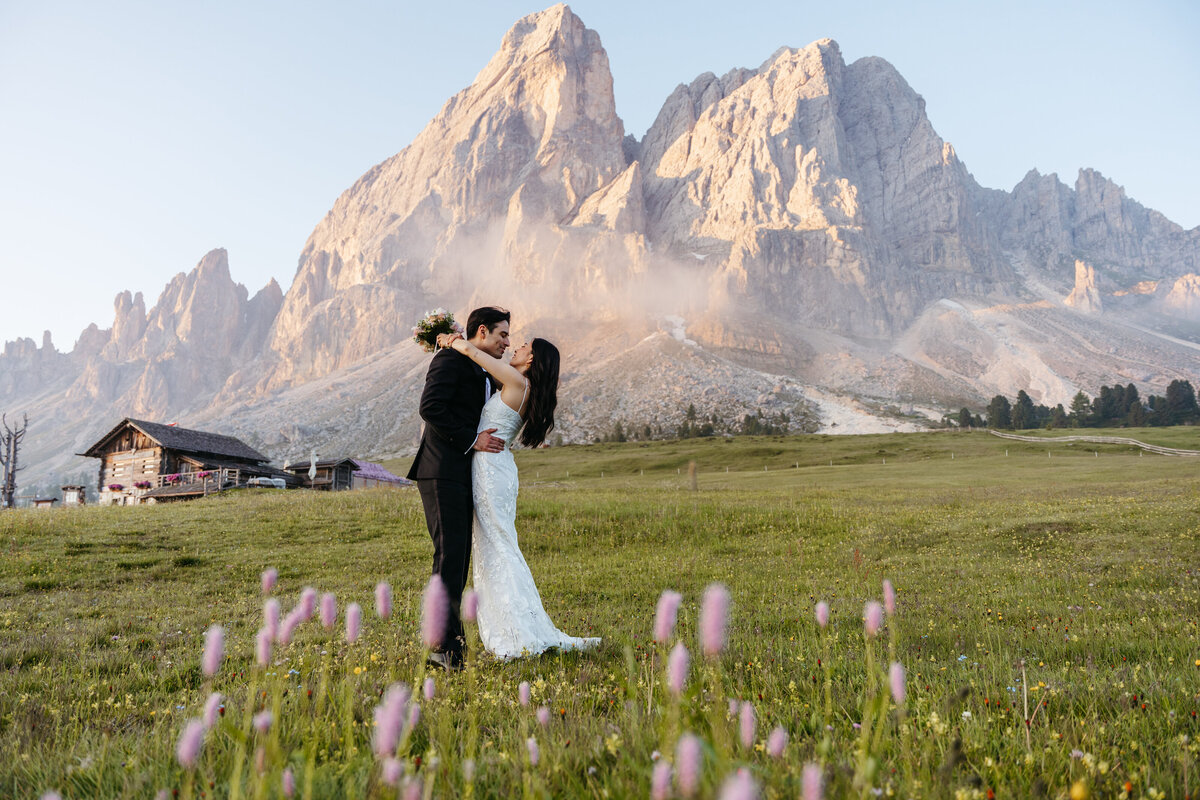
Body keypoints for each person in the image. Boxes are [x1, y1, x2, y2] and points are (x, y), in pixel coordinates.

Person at [436, 329, 600, 659]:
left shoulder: (517, 382)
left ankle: (516, 633)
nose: (517, 347)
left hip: (491, 472)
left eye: (524, 345)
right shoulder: (521, 385)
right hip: (496, 469)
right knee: (499, 545)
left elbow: (477, 355)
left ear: (531, 359)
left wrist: (451, 340)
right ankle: (517, 625)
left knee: (499, 546)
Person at [407, 307, 510, 671]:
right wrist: (472, 439)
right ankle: (442, 648)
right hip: (441, 472)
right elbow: (430, 407)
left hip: (462, 475)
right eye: (502, 334)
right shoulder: (449, 359)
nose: (507, 342)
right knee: (449, 557)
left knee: (458, 559)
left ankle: (450, 644)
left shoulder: (480, 368)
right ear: (482, 331)